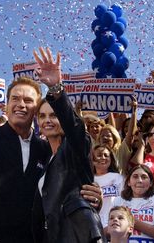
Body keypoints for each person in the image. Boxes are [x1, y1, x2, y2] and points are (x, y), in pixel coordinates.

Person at [0, 46, 102, 242]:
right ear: (6, 106)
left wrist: (91, 195)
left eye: (28, 100)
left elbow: (68, 177)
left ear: (34, 110)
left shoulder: (46, 152)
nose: (21, 104)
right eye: (15, 99)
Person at [31, 46, 104, 242]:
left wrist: (56, 89)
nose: (48, 120)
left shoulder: (76, 146)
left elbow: (75, 127)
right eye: (42, 116)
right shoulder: (44, 159)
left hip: (78, 234)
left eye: (54, 115)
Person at [107, 164, 154, 242]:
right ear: (128, 182)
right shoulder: (118, 200)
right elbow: (109, 230)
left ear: (151, 183)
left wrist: (131, 221)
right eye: (135, 176)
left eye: (144, 177)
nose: (139, 180)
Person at [92, 144, 124, 228]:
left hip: (113, 223)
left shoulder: (118, 177)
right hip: (93, 222)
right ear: (92, 160)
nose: (103, 158)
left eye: (106, 155)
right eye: (99, 155)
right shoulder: (88, 179)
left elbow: (123, 201)